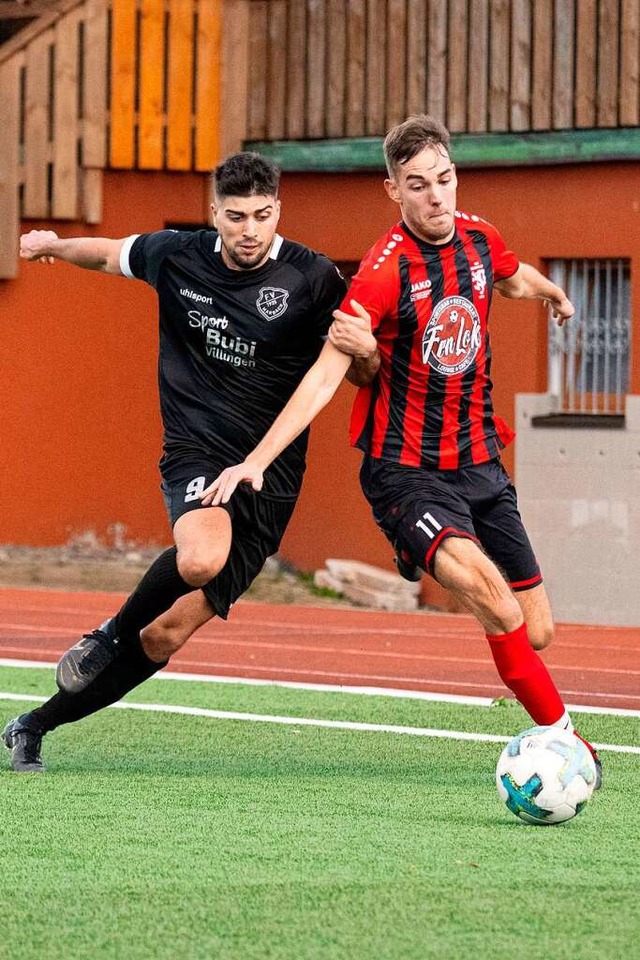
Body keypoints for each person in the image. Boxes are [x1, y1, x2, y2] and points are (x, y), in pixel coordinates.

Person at [197, 115, 602, 786]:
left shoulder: (479, 238)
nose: (435, 197)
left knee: (534, 632)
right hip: (405, 472)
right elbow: (325, 375)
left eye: (444, 180)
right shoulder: (383, 274)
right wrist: (257, 460)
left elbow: (510, 276)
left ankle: (435, 557)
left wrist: (553, 292)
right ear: (394, 191)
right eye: (418, 186)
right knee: (496, 603)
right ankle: (564, 742)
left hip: (480, 463)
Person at [3, 152, 375, 773]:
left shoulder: (313, 278)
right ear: (215, 215)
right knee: (202, 558)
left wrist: (365, 353)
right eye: (236, 217)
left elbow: (360, 373)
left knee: (166, 634)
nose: (250, 230)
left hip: (271, 477)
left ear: (277, 211)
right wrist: (55, 245)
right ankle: (107, 635)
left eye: (262, 215)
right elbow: (110, 253)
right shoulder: (177, 255)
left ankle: (32, 724)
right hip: (198, 451)